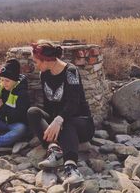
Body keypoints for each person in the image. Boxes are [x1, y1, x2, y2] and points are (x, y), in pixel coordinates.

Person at [27, 40, 95, 189]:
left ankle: (72, 169)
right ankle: (55, 149)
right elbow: (48, 105)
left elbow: (74, 103)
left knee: (66, 122)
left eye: (36, 61)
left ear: (47, 60)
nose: (35, 65)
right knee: (33, 112)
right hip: (60, 122)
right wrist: (52, 123)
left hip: (81, 123)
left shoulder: (71, 71)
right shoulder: (44, 74)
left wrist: (58, 121)